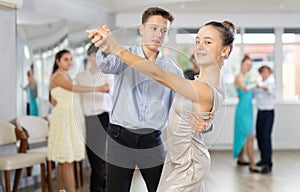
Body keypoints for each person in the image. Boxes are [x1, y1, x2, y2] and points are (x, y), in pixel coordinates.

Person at [88, 18, 236, 191]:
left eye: (208, 42)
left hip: (188, 164)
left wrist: (115, 47)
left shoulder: (203, 89)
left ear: (225, 50)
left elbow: (158, 74)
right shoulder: (195, 84)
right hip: (177, 160)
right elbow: (193, 109)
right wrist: (206, 122)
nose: (199, 46)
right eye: (197, 41)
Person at [48, 49, 109, 192]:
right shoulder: (58, 76)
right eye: (66, 59)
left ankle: (60, 190)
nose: (70, 62)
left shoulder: (66, 75)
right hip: (64, 119)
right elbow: (75, 88)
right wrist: (98, 88)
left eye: (71, 59)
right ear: (58, 61)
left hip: (69, 118)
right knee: (67, 158)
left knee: (64, 158)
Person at [75, 44, 114, 192]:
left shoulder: (107, 74)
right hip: (86, 118)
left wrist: (105, 90)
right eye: (96, 56)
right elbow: (72, 94)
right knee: (92, 155)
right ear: (89, 57)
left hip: (102, 116)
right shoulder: (80, 77)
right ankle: (101, 186)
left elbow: (111, 93)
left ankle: (97, 188)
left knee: (97, 155)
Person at [233, 55, 259, 173]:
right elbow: (243, 89)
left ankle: (240, 158)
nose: (249, 67)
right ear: (242, 64)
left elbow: (240, 94)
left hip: (247, 109)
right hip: (243, 110)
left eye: (250, 66)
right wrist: (255, 85)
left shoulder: (244, 77)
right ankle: (252, 164)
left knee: (243, 134)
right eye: (247, 64)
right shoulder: (239, 76)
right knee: (250, 136)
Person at [255, 65, 275, 174]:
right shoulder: (259, 84)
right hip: (260, 112)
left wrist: (260, 87)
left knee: (266, 137)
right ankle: (263, 159)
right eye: (263, 72)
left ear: (269, 73)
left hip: (269, 113)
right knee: (259, 136)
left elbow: (269, 90)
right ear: (260, 73)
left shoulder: (270, 83)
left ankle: (268, 164)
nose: (265, 74)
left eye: (267, 72)